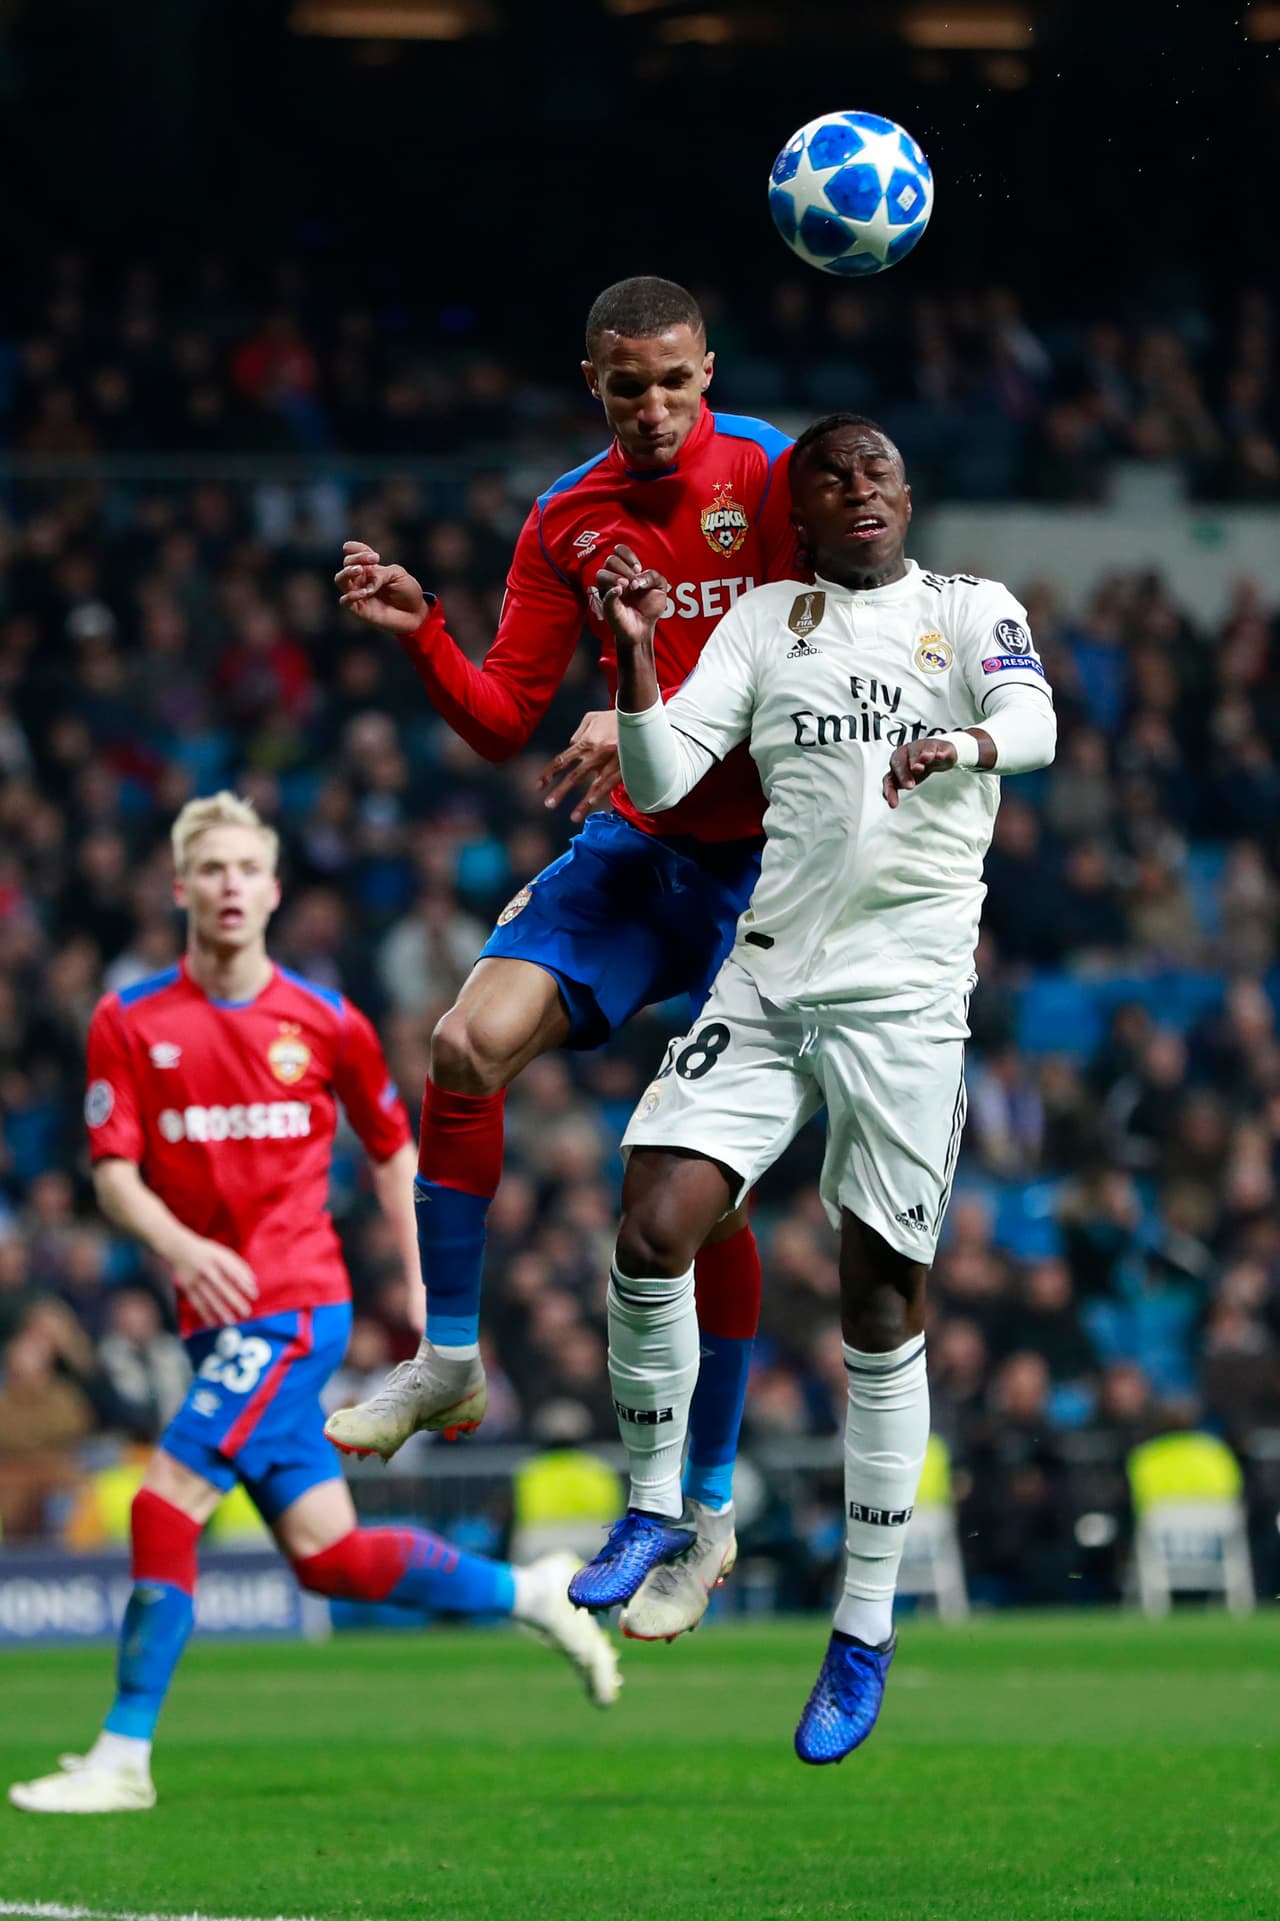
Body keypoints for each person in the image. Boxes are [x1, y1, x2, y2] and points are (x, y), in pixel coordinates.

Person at [566, 413, 1056, 1761]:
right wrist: (643, 654)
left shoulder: (968, 610)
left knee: (877, 1304)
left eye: (882, 469)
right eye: (832, 476)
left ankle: (864, 1626)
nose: (861, 489)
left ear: (909, 489)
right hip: (770, 980)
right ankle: (658, 1501)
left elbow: (1036, 720)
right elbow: (665, 776)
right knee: (654, 1215)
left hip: (905, 1006)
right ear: (803, 506)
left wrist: (961, 748)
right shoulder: (768, 622)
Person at [326, 276, 799, 1641]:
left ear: (709, 374)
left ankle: (705, 1511)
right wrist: (424, 632)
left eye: (675, 383)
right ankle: (452, 1359)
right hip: (646, 854)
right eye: (625, 386)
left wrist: (652, 712)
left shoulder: (772, 479)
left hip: (780, 867)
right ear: (590, 381)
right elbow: (501, 720)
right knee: (464, 1044)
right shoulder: (568, 518)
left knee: (700, 1200)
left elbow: (835, 673)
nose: (653, 410)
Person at [9, 793, 618, 1817]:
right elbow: (112, 1173)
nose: (230, 886)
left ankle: (121, 1755)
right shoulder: (129, 1020)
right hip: (216, 1321)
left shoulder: (326, 1021)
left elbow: (394, 1155)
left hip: (293, 1306)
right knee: (330, 1558)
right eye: (211, 870)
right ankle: (534, 1590)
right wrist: (181, 1243)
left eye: (248, 868)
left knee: (163, 1502)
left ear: (275, 888)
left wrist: (431, 1296)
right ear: (180, 888)